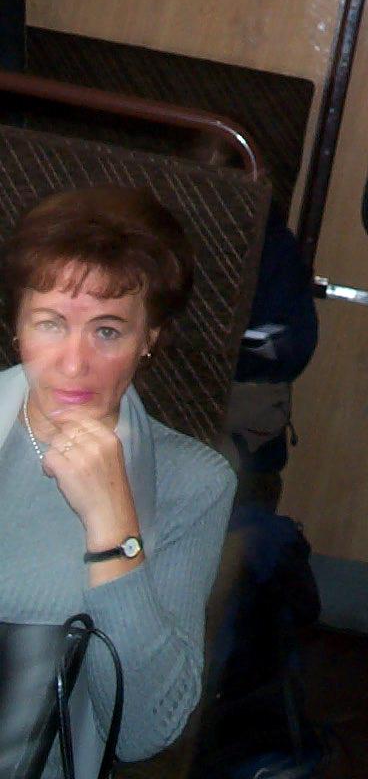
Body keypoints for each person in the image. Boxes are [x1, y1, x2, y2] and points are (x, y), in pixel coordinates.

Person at [0, 183, 236, 776]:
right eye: (51, 323)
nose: (74, 362)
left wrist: (113, 526)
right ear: (17, 328)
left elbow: (143, 733)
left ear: (147, 339)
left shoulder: (191, 482)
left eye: (107, 331)